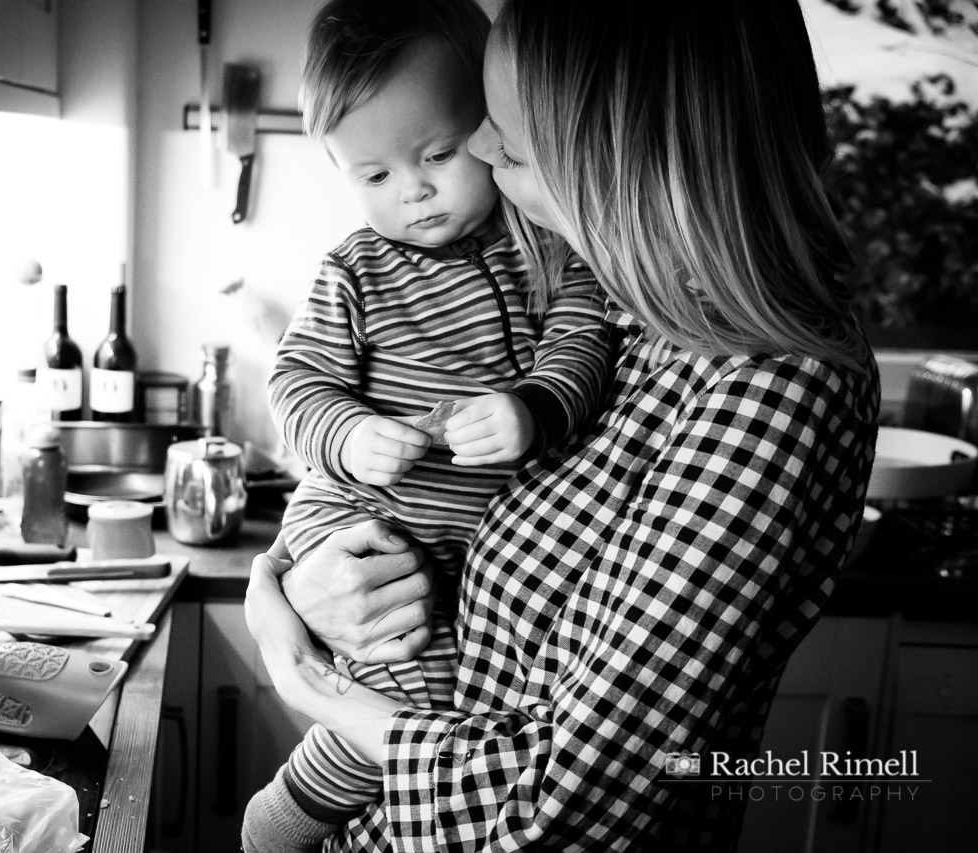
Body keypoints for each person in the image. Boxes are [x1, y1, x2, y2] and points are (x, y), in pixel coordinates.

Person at [244, 0, 882, 850]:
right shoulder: (633, 318)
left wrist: (312, 686)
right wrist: (290, 579)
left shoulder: (775, 387)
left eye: (507, 139)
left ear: (631, 154)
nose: (476, 153)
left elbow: (556, 816)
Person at [244, 0, 613, 849]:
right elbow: (296, 381)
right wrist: (346, 433)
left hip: (454, 550)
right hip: (355, 514)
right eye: (373, 176)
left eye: (438, 154)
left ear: (485, 129)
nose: (412, 192)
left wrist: (535, 407)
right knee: (421, 700)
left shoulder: (544, 248)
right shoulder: (356, 269)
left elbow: (584, 338)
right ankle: (285, 816)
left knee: (440, 703)